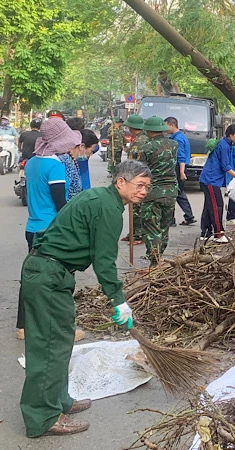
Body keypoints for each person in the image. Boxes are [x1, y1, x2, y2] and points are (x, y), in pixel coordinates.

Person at [19, 159, 150, 437]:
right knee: (49, 347)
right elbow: (103, 262)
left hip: (49, 272)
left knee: (60, 340)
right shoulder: (108, 209)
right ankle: (43, 418)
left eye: (147, 187)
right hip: (48, 275)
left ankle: (59, 401)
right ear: (120, 182)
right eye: (139, 185)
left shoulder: (98, 197)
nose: (143, 191)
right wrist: (119, 300)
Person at [16, 119, 76, 341]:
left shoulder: (32, 163)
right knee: (57, 279)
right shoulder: (55, 166)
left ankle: (22, 325)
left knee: (31, 276)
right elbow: (61, 204)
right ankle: (56, 328)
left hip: (33, 227)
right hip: (51, 230)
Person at [138, 116, 178, 266]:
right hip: (171, 191)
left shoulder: (146, 148)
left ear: (149, 131)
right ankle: (159, 255)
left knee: (151, 228)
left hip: (153, 193)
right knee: (164, 227)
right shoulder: (174, 144)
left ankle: (154, 261)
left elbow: (141, 171)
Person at [199, 124, 235, 243]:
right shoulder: (224, 146)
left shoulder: (225, 144)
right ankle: (218, 234)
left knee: (209, 206)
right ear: (231, 135)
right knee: (217, 206)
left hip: (209, 179)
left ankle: (205, 232)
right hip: (211, 180)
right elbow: (225, 166)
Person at [165, 117, 195, 226]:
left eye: (166, 125)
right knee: (178, 192)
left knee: (173, 192)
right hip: (180, 168)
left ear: (172, 125)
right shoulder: (180, 137)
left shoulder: (178, 139)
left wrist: (182, 172)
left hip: (178, 168)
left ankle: (171, 219)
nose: (165, 128)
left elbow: (181, 157)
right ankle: (188, 216)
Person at [122, 114, 147, 244]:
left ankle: (138, 235)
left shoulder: (140, 141)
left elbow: (134, 162)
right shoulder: (140, 139)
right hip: (138, 177)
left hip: (137, 177)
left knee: (137, 207)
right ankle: (133, 233)